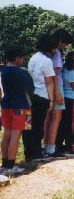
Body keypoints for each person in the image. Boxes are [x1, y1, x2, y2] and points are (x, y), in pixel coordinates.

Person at [1, 45, 34, 174]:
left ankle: (4, 164)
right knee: (16, 136)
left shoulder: (3, 71)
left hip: (6, 105)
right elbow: (31, 89)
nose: (23, 60)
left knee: (7, 135)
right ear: (17, 58)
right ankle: (11, 165)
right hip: (20, 106)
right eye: (22, 58)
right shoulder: (22, 73)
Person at [22, 34, 56, 162]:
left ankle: (28, 153)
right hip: (42, 95)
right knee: (38, 126)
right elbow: (49, 82)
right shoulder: (47, 61)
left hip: (30, 95)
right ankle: (36, 153)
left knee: (28, 125)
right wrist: (51, 100)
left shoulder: (33, 58)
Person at [43, 29, 73, 158]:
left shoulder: (49, 53)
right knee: (56, 117)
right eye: (64, 43)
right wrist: (57, 93)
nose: (65, 46)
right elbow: (54, 74)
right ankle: (51, 147)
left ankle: (46, 145)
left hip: (50, 86)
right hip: (57, 86)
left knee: (49, 118)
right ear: (60, 41)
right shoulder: (56, 54)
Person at [58, 52, 74, 154]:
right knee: (72, 124)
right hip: (71, 98)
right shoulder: (72, 72)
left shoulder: (64, 70)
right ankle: (71, 146)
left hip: (64, 97)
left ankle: (64, 145)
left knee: (65, 123)